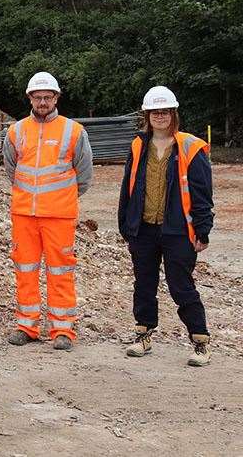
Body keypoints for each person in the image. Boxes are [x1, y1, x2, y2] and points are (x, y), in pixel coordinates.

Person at [118, 86, 214, 366]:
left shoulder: (190, 147)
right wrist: (126, 223)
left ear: (173, 114)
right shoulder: (138, 146)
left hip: (178, 231)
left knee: (181, 286)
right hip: (144, 229)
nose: (159, 117)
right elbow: (129, 187)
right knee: (144, 285)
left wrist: (203, 230)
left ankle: (200, 341)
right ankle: (143, 335)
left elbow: (201, 193)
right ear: (147, 115)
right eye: (154, 112)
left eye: (165, 112)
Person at [2, 72, 92, 350]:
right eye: (37, 97)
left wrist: (61, 198)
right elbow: (11, 169)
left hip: (59, 216)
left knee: (60, 271)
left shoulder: (73, 131)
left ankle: (62, 330)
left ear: (56, 98)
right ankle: (26, 325)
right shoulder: (16, 131)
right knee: (25, 270)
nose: (42, 101)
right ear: (30, 98)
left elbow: (84, 175)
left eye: (47, 97)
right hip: (24, 214)